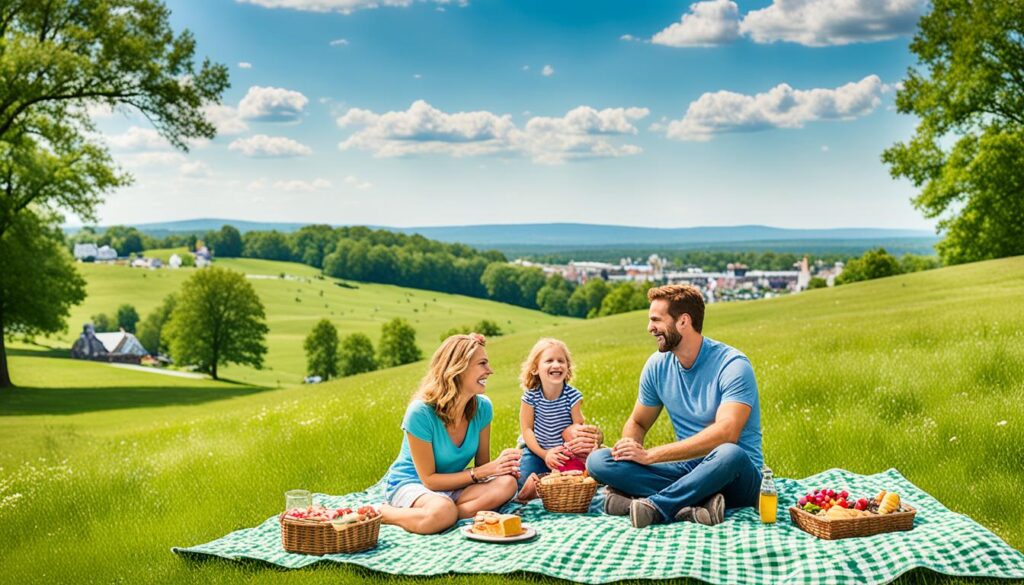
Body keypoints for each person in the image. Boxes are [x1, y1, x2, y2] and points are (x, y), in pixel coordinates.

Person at [586, 284, 763, 529]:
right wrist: (631, 449)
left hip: (735, 476)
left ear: (683, 322)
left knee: (729, 453)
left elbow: (727, 433)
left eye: (656, 320)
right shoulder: (657, 365)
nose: (650, 328)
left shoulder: (732, 365)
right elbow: (638, 422)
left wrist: (650, 456)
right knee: (599, 461)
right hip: (687, 470)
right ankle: (696, 505)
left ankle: (655, 507)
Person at [381, 333, 521, 534]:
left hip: (453, 485)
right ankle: (384, 512)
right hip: (412, 484)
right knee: (443, 510)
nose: (489, 371)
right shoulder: (420, 413)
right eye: (482, 363)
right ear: (459, 368)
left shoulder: (483, 408)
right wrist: (483, 472)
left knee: (507, 484)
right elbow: (429, 480)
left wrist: (501, 468)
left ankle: (445, 516)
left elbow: (483, 467)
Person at [513, 338, 601, 501]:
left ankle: (545, 483)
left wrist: (578, 449)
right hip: (536, 450)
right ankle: (536, 486)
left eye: (561, 361)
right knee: (521, 480)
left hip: (564, 453)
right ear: (535, 369)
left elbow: (577, 429)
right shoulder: (530, 397)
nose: (556, 365)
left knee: (573, 480)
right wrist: (545, 454)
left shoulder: (572, 396)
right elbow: (527, 430)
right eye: (549, 361)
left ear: (567, 368)